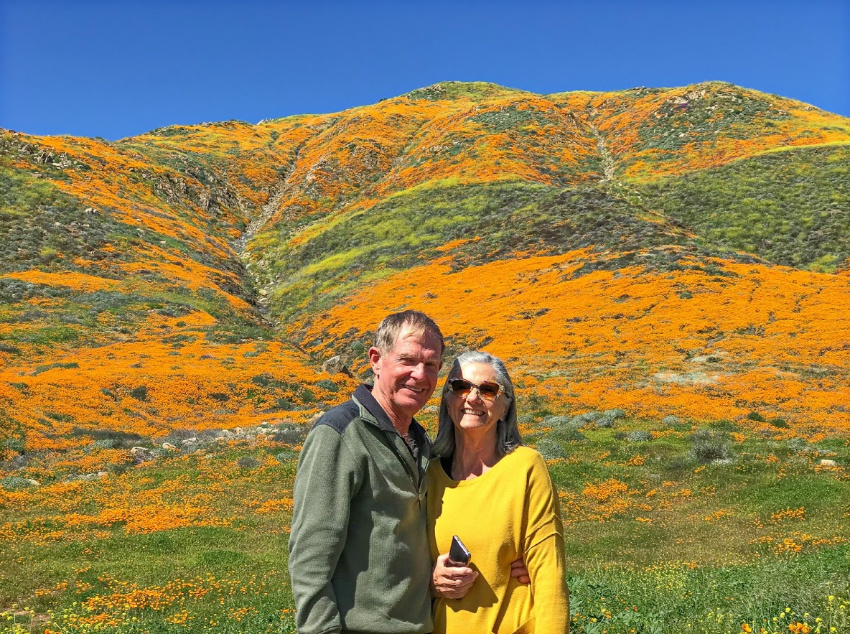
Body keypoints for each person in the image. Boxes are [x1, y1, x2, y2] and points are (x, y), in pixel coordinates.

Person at [289, 310, 479, 634]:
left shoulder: (421, 442)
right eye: (408, 360)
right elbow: (309, 564)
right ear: (376, 360)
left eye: (431, 365)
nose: (420, 375)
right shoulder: (339, 435)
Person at [427, 351, 570, 633]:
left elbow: (549, 576)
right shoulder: (428, 476)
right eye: (461, 387)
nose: (472, 398)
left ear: (505, 406)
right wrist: (431, 584)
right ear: (447, 398)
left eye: (488, 390)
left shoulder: (526, 467)